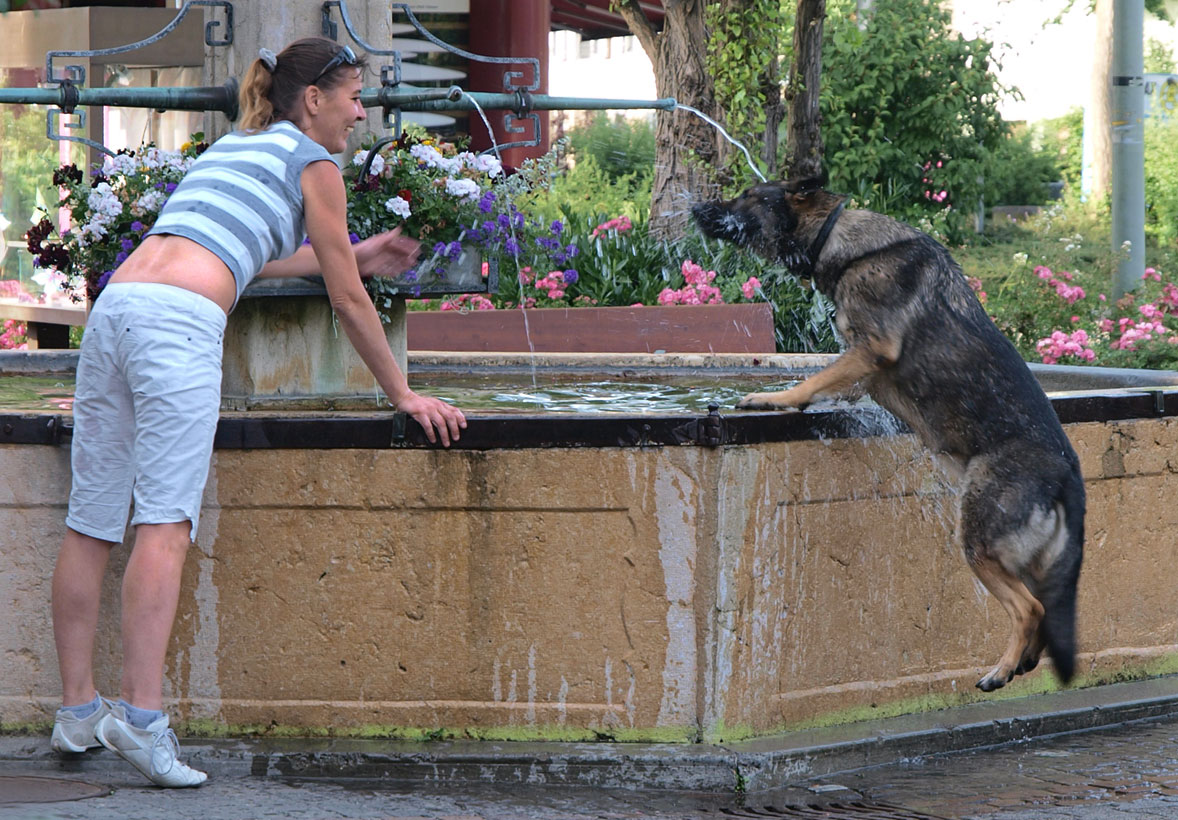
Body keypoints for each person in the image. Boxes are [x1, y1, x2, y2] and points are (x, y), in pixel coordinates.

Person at [48, 37, 466, 788]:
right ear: (315, 100)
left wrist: (359, 251)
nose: (361, 112)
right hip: (176, 324)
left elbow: (241, 253)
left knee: (92, 518)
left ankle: (78, 708)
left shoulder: (234, 148)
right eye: (353, 97)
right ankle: (141, 722)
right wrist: (402, 393)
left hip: (119, 308)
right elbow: (346, 300)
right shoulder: (316, 163)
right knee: (165, 524)